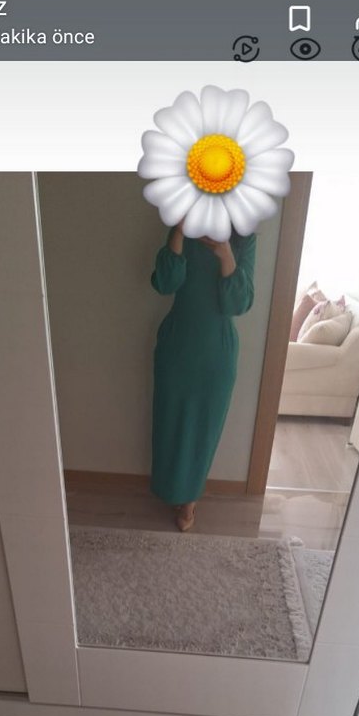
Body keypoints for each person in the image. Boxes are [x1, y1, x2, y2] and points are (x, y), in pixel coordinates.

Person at [150, 222, 256, 532]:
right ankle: (171, 490)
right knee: (169, 423)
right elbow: (165, 284)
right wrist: (179, 233)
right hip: (176, 346)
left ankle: (190, 499)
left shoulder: (244, 239)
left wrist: (226, 255)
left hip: (217, 354)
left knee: (204, 430)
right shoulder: (182, 227)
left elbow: (238, 304)